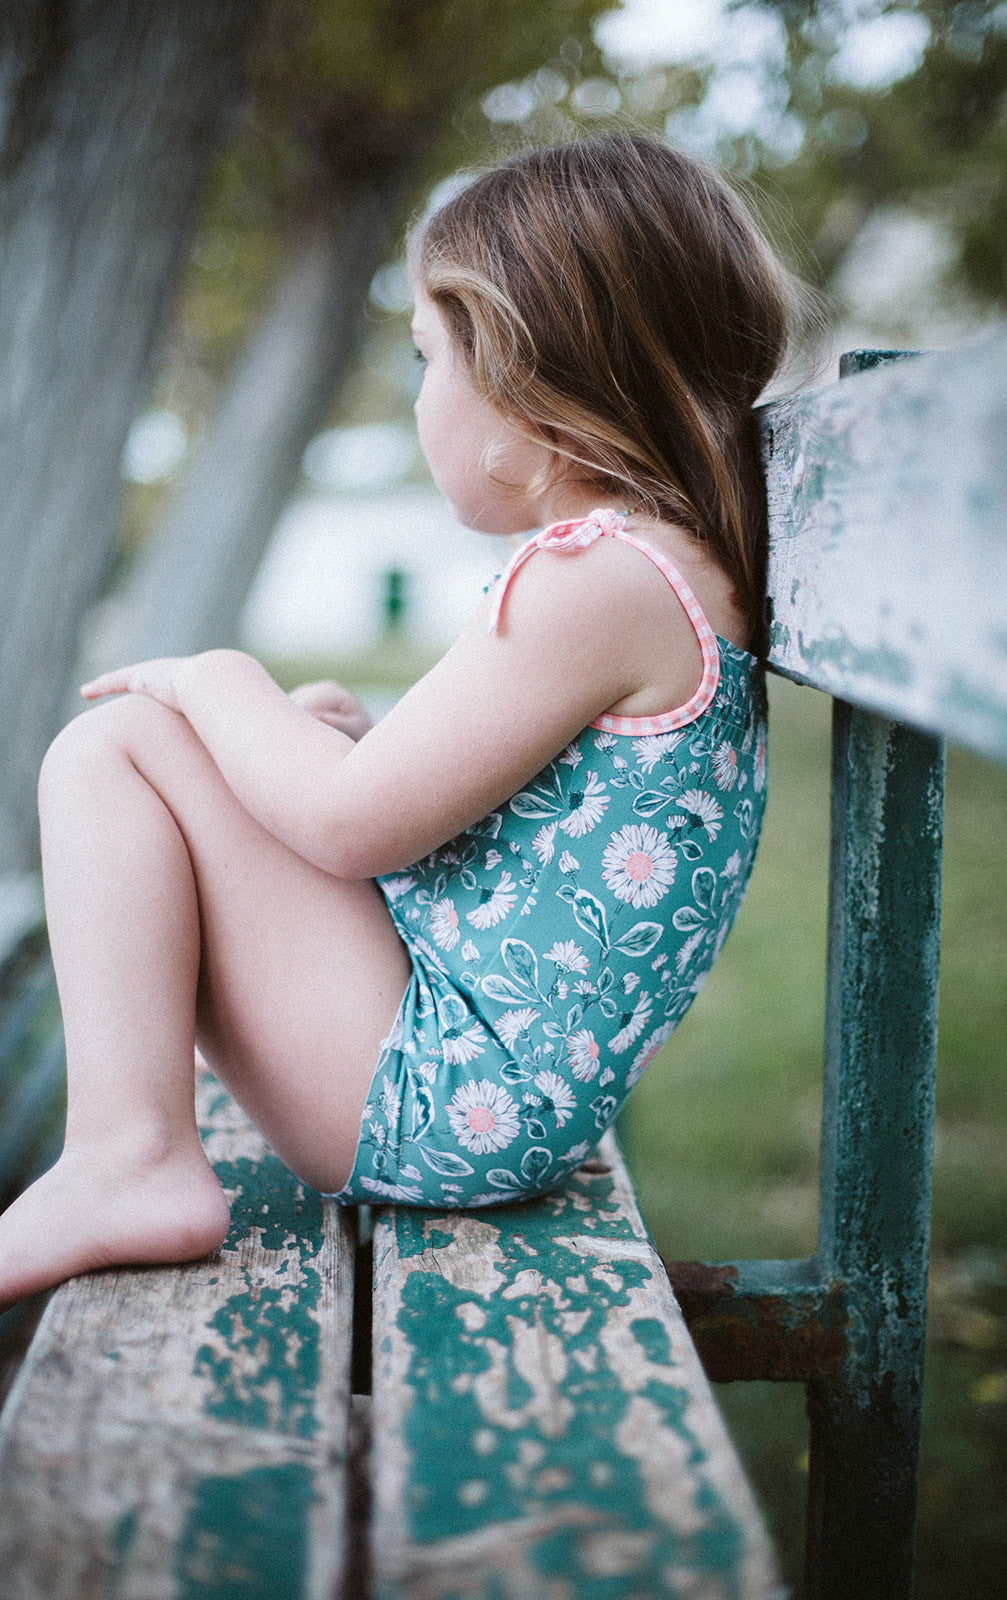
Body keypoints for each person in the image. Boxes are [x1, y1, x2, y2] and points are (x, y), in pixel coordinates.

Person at [0, 130, 799, 1309]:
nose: (418, 396)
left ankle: (127, 1155)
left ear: (531, 383)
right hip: (474, 1084)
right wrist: (343, 745)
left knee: (117, 745)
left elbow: (344, 830)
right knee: (170, 753)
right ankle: (125, 1152)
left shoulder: (597, 576)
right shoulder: (652, 566)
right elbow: (468, 811)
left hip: (439, 1098)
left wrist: (223, 681)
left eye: (427, 357)